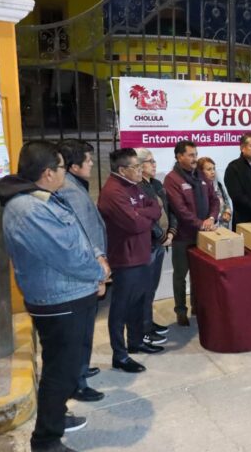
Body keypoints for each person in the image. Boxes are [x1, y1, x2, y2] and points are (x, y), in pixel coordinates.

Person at [0, 141, 109, 452]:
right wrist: (99, 272)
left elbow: (77, 236)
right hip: (60, 300)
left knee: (64, 367)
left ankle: (56, 416)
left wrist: (97, 258)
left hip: (70, 295)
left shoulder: (43, 198)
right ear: (48, 173)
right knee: (61, 372)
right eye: (62, 168)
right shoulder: (29, 209)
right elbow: (68, 255)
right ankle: (46, 440)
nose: (65, 173)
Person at [98, 148, 163, 373]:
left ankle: (135, 342)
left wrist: (141, 213)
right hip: (125, 258)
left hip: (142, 253)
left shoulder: (134, 185)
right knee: (121, 307)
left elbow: (156, 207)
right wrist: (144, 215)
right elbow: (134, 224)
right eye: (135, 167)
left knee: (138, 302)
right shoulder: (113, 192)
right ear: (122, 169)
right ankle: (120, 355)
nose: (140, 170)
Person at [57, 139, 107, 403]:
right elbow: (84, 235)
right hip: (86, 271)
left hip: (87, 270)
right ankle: (77, 383)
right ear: (73, 166)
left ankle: (82, 369)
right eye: (87, 160)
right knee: (79, 331)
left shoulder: (74, 185)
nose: (92, 163)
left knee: (85, 329)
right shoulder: (70, 190)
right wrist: (99, 270)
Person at [164, 140, 219, 326]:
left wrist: (211, 218)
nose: (195, 158)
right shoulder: (172, 179)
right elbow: (180, 210)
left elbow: (214, 200)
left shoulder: (201, 175)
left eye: (196, 154)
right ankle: (181, 311)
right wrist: (200, 224)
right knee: (180, 276)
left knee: (199, 274)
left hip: (203, 235)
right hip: (183, 237)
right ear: (179, 157)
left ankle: (197, 306)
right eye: (191, 155)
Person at [135, 148, 176, 346]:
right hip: (148, 245)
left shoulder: (157, 184)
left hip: (161, 244)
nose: (154, 164)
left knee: (151, 289)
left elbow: (170, 209)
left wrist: (172, 232)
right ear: (139, 165)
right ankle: (143, 329)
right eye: (150, 161)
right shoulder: (136, 188)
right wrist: (161, 235)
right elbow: (144, 218)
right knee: (144, 290)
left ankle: (148, 322)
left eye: (154, 161)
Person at [197, 156, 233, 229]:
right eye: (209, 169)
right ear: (200, 172)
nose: (213, 172)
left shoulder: (218, 185)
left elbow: (226, 202)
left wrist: (227, 212)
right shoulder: (197, 189)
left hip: (223, 227)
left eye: (214, 168)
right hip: (207, 229)